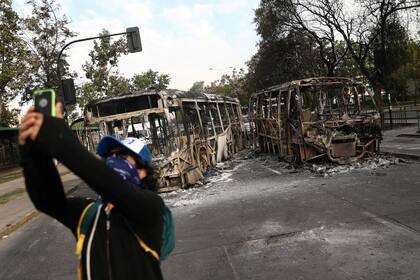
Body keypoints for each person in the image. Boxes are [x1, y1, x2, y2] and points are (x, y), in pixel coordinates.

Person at [18, 103, 165, 280]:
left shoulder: (150, 208)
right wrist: (32, 150)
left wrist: (59, 136)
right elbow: (47, 199)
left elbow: (107, 182)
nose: (113, 160)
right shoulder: (89, 214)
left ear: (143, 172)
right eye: (110, 156)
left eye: (122, 156)